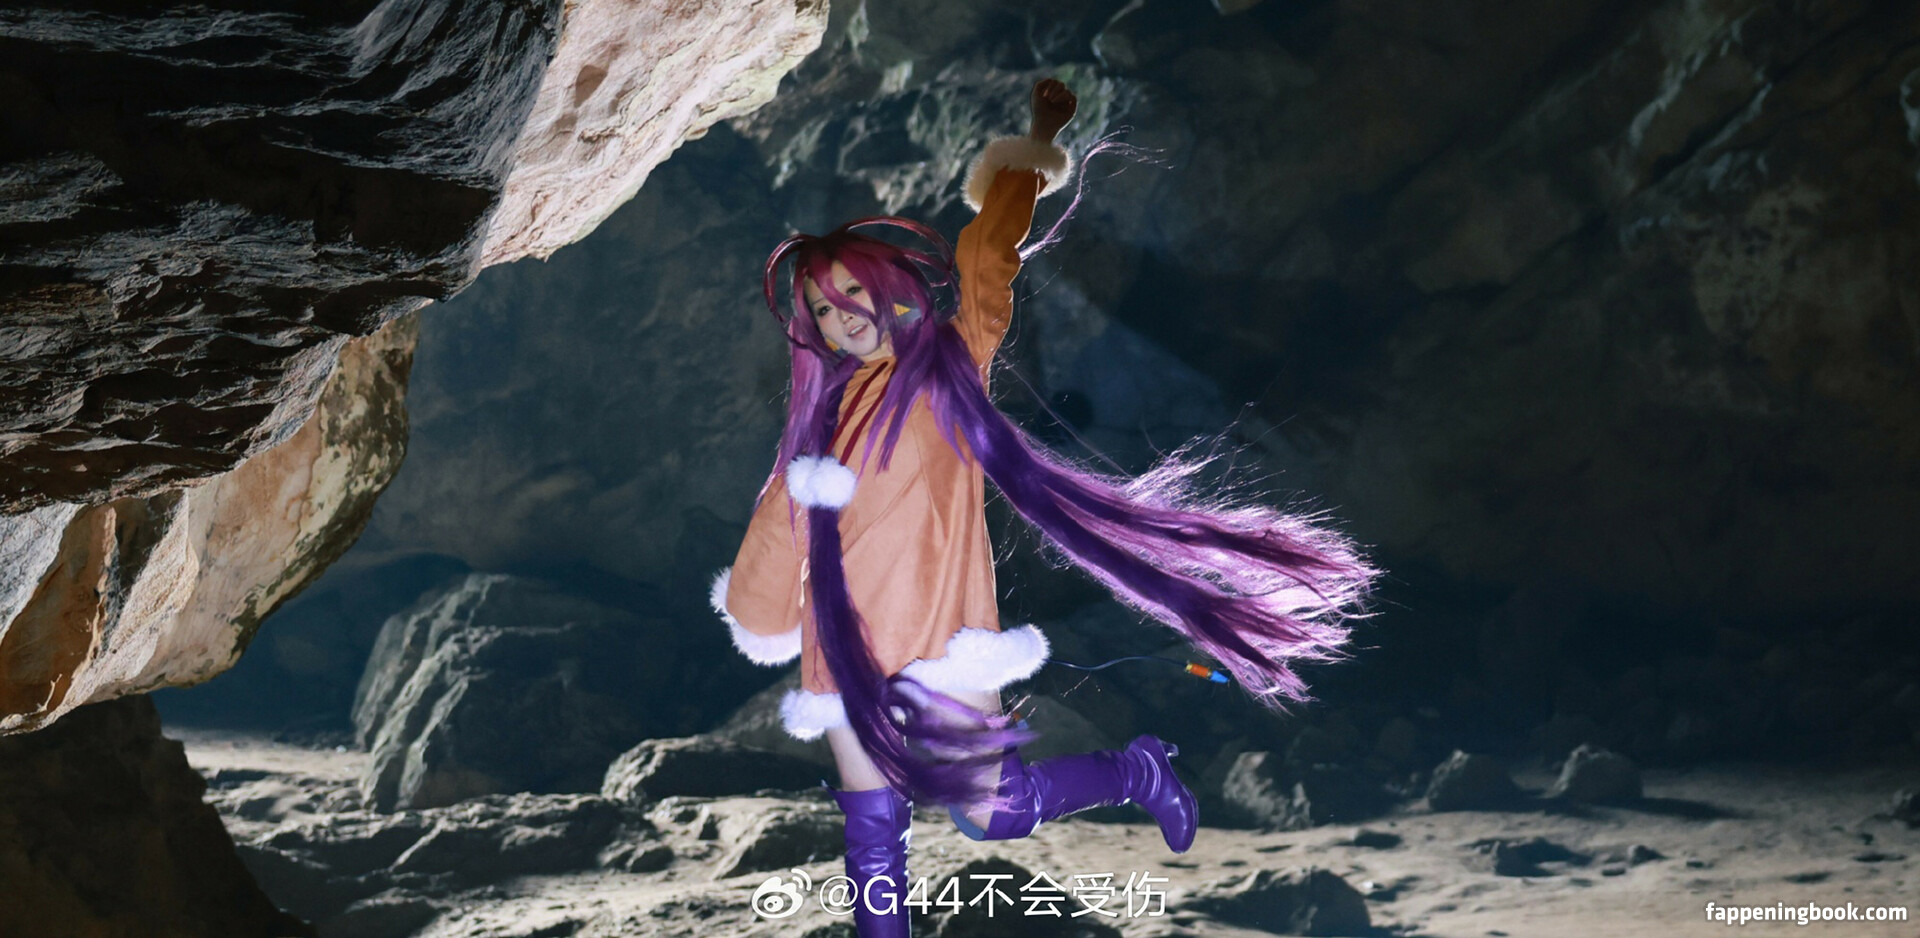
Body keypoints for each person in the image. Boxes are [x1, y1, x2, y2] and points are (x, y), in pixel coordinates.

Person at [710, 78, 1376, 937]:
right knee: (872, 833)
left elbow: (988, 259)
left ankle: (1137, 772)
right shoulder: (821, 419)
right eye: (824, 311)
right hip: (842, 648)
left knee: (996, 815)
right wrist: (760, 612)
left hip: (939, 636)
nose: (845, 319)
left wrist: (1032, 146)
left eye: (852, 293)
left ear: (891, 287)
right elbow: (780, 526)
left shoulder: (948, 364)